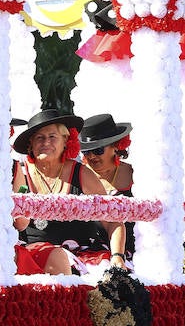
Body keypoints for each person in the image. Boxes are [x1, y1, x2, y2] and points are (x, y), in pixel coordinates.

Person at [11, 109, 126, 276]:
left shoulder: (82, 174)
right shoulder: (19, 173)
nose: (46, 142)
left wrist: (117, 256)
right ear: (30, 144)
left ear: (66, 140)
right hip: (34, 259)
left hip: (84, 259)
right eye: (39, 138)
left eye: (52, 137)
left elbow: (113, 220)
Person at [80, 114, 136, 259]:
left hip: (134, 253)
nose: (91, 156)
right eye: (86, 151)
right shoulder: (78, 176)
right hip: (88, 255)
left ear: (116, 146)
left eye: (98, 150)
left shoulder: (136, 175)